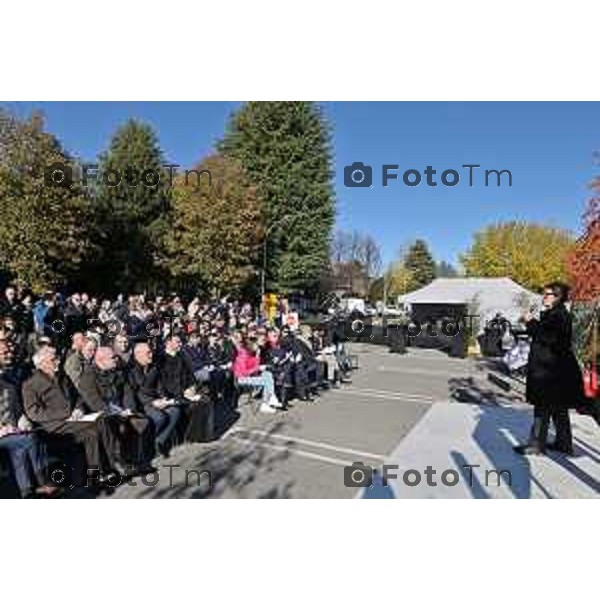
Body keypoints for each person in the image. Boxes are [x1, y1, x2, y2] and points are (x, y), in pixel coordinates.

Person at [22, 346, 117, 484]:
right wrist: (64, 414)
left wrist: (79, 409)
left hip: (74, 419)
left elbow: (78, 397)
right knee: (91, 432)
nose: (58, 361)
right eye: (54, 359)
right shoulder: (30, 384)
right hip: (54, 426)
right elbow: (33, 412)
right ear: (41, 364)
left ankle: (112, 465)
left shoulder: (62, 376)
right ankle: (96, 475)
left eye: (58, 358)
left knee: (102, 419)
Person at [514, 282, 584, 455]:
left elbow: (548, 338)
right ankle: (563, 443)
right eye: (543, 293)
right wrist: (533, 323)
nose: (543, 297)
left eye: (548, 294)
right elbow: (546, 335)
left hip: (550, 371)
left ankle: (537, 444)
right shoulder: (555, 314)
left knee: (542, 406)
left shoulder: (559, 316)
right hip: (555, 370)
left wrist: (531, 322)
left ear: (558, 297)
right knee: (558, 408)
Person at [78, 347, 155, 472]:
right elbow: (94, 401)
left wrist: (129, 409)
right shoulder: (88, 376)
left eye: (115, 356)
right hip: (104, 413)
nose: (116, 359)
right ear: (101, 360)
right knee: (112, 425)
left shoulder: (117, 372)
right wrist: (116, 412)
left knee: (141, 422)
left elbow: (127, 392)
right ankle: (119, 462)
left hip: (121, 409)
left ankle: (138, 460)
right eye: (112, 358)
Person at [0, 341, 57, 497]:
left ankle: (28, 490)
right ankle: (40, 482)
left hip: (11, 429)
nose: (9, 355)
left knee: (21, 444)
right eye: (4, 353)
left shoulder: (8, 378)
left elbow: (15, 406)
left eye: (9, 351)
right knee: (26, 441)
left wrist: (21, 419)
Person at [126, 343, 182, 457]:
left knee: (175, 411)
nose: (151, 355)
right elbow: (133, 393)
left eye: (151, 352)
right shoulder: (130, 370)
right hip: (142, 403)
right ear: (138, 355)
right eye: (148, 353)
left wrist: (163, 398)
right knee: (159, 417)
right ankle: (146, 445)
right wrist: (151, 402)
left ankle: (159, 441)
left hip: (155, 400)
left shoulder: (153, 367)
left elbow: (159, 385)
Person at [232, 334, 283, 414]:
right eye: (256, 345)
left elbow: (255, 366)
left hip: (250, 377)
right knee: (266, 380)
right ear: (251, 345)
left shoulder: (251, 354)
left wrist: (257, 356)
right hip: (241, 379)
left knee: (267, 374)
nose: (258, 347)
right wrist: (258, 368)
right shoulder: (243, 355)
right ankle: (268, 400)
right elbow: (243, 372)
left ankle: (269, 399)